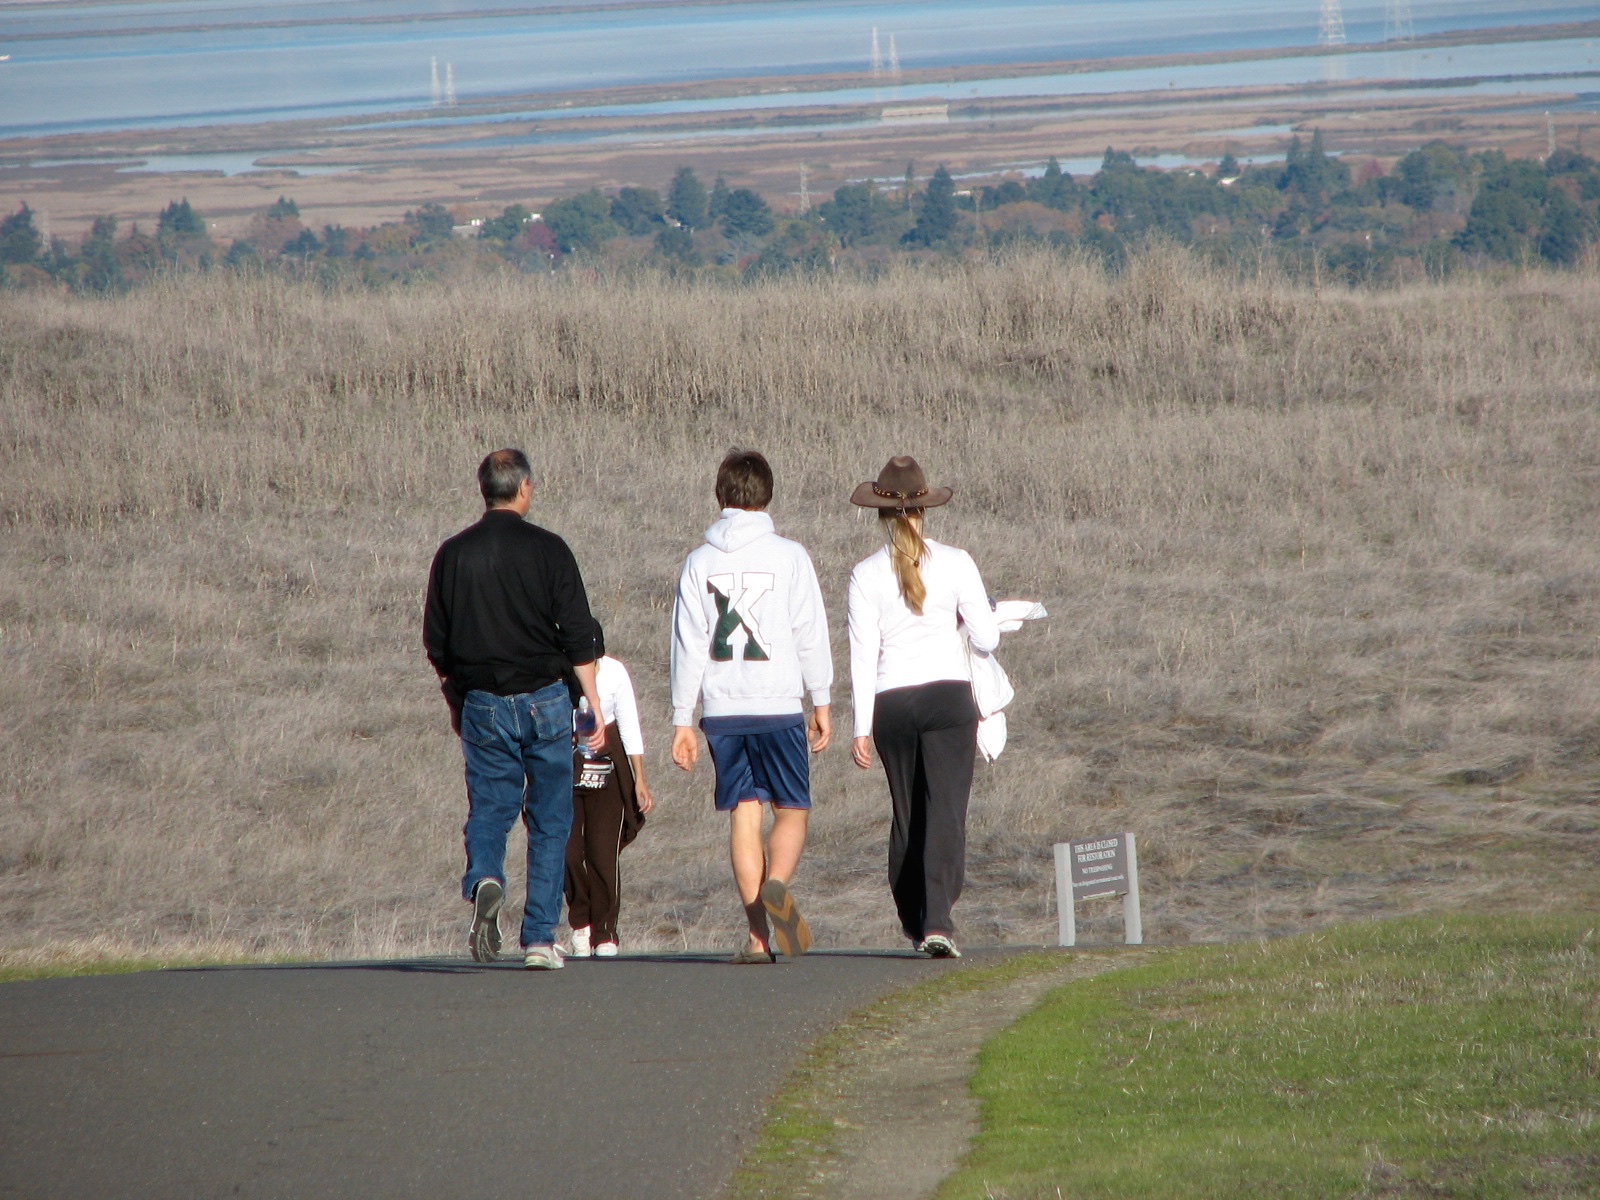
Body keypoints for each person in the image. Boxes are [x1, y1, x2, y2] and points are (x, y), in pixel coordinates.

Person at [424, 448, 606, 971]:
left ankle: (486, 876)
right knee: (550, 819)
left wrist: (458, 696)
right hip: (546, 699)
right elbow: (578, 633)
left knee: (490, 808)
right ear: (524, 487)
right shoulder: (550, 550)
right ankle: (540, 940)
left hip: (482, 702)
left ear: (485, 489)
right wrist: (592, 702)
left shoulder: (453, 554)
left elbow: (437, 641)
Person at [670, 449, 833, 963]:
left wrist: (682, 720)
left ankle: (758, 937)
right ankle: (778, 882)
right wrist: (822, 698)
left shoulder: (699, 562)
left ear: (721, 496)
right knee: (792, 809)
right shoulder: (790, 556)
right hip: (778, 702)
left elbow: (689, 644)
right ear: (768, 496)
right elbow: (810, 632)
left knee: (744, 814)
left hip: (723, 710)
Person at [847, 455, 999, 959]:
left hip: (891, 702)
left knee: (907, 815)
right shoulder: (957, 562)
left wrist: (860, 729)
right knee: (946, 812)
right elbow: (987, 637)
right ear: (924, 510)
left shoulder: (864, 574)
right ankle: (938, 921)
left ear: (880, 514)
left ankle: (913, 920)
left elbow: (863, 654)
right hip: (948, 698)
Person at [565, 651, 654, 958]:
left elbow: (629, 725)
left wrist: (639, 778)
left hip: (609, 775)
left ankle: (605, 932)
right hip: (567, 774)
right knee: (569, 852)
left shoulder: (615, 672)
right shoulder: (557, 672)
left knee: (602, 854)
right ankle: (581, 924)